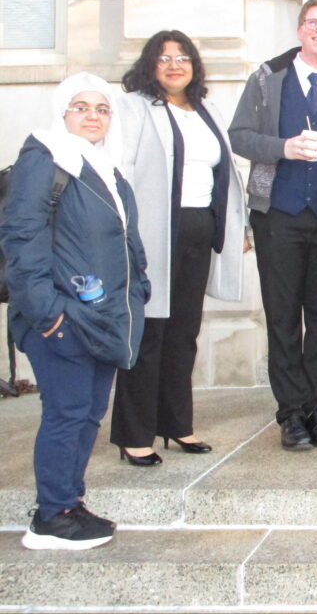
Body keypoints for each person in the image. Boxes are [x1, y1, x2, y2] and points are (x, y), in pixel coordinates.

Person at [0, 73, 149, 549]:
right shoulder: (45, 160)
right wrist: (49, 313)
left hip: (103, 316)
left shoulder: (104, 166)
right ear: (62, 112)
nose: (93, 116)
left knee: (87, 414)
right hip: (62, 316)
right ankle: (51, 516)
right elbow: (22, 240)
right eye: (81, 107)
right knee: (66, 413)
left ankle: (68, 501)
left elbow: (125, 241)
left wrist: (138, 289)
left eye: (102, 109)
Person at [229, 0, 317, 451]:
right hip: (278, 218)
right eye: (312, 22)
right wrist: (283, 148)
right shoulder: (268, 81)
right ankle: (290, 413)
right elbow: (239, 136)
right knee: (283, 319)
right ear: (300, 30)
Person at [110, 30, 247, 466]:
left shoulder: (207, 109)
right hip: (153, 232)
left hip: (198, 229)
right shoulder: (134, 107)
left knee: (184, 332)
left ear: (195, 66)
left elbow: (227, 173)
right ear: (150, 65)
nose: (175, 65)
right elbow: (120, 170)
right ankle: (134, 435)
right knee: (149, 331)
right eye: (165, 58)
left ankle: (176, 424)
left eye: (183, 57)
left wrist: (236, 226)